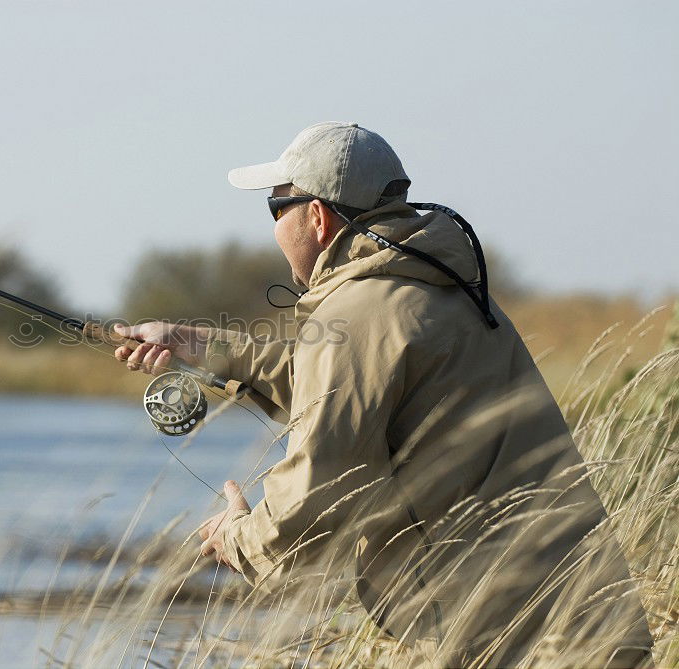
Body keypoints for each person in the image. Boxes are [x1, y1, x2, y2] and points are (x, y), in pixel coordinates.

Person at [113, 122, 653, 667]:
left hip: (502, 637)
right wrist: (199, 345)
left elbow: (319, 492)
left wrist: (240, 539)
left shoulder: (358, 316)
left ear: (318, 217)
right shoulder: (445, 292)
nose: (274, 226)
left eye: (277, 208)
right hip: (594, 620)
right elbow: (340, 383)